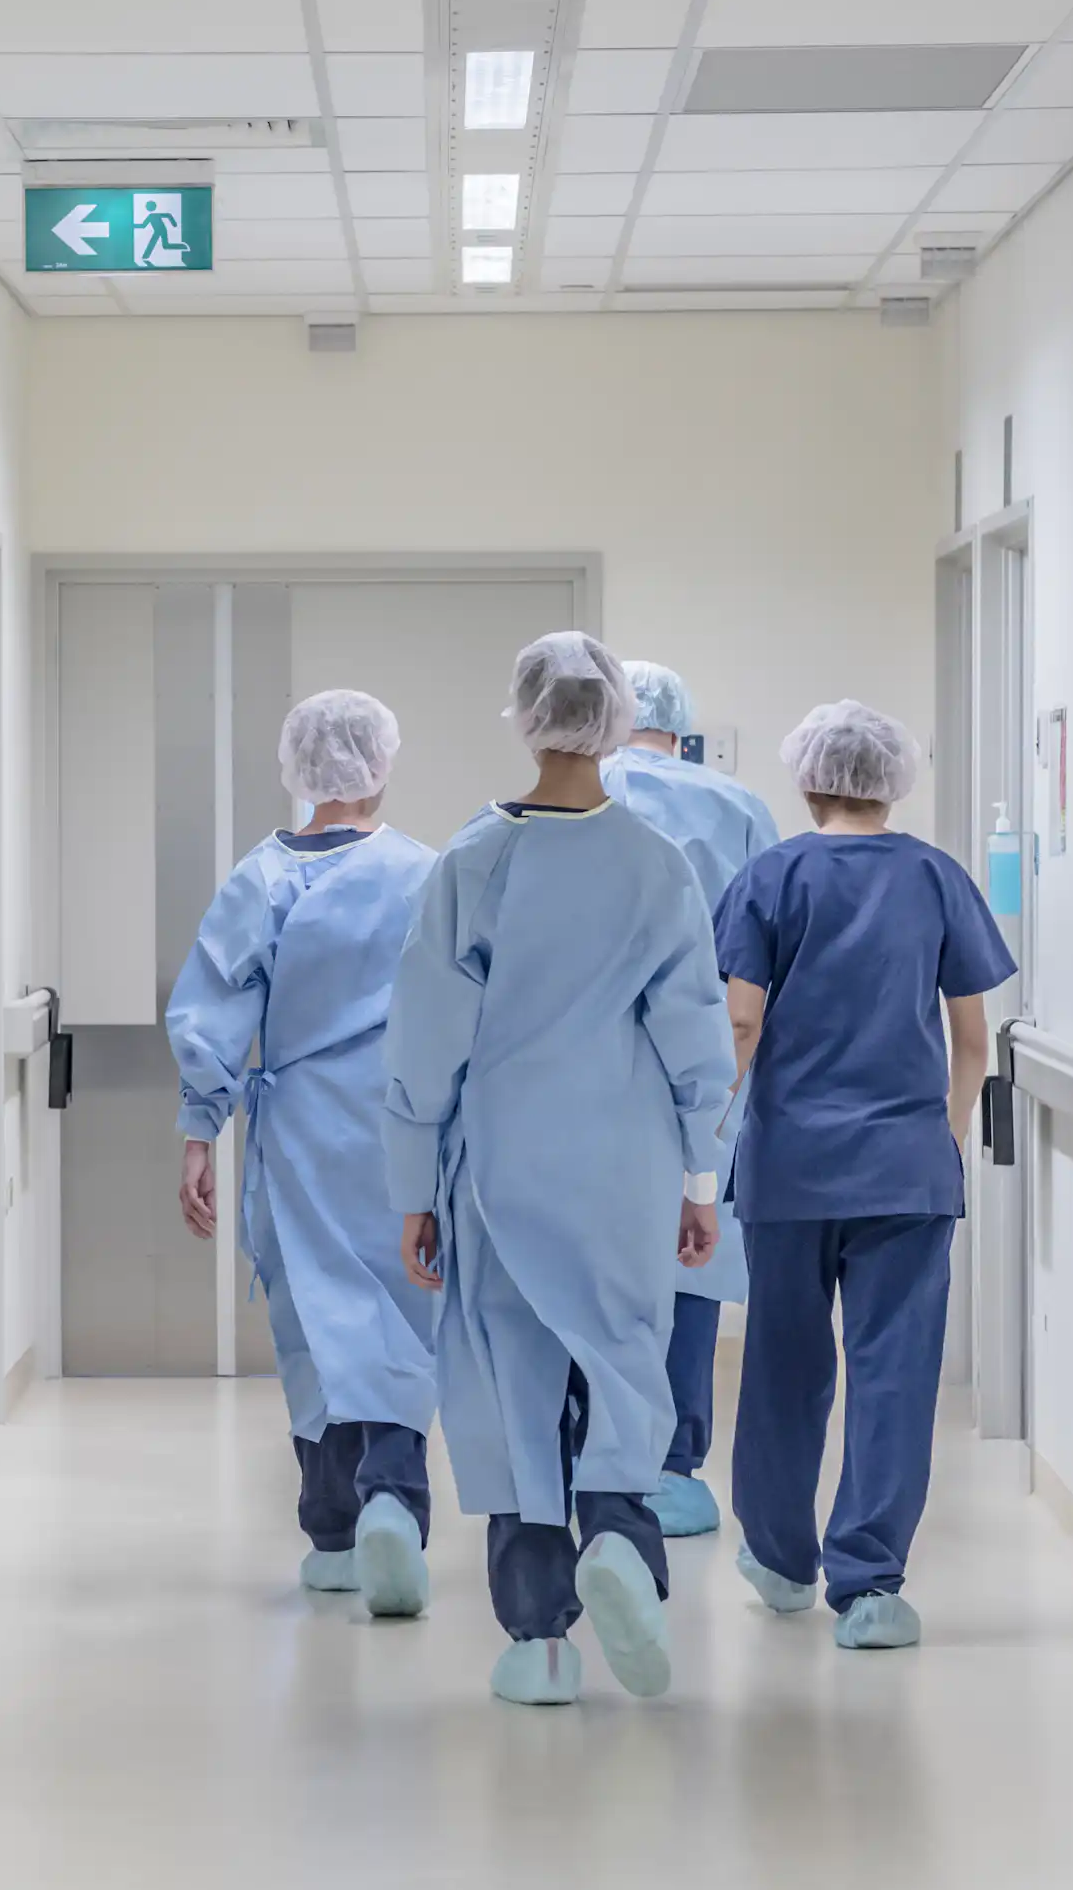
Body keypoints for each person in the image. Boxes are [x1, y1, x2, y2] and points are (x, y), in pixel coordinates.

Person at [383, 633, 736, 1705]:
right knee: (624, 1359)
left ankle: (537, 1636)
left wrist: (412, 1192)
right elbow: (697, 1041)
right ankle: (622, 1534)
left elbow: (423, 1043)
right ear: (619, 718)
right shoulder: (655, 865)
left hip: (498, 1166)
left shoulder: (470, 865)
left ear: (527, 717)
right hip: (623, 1166)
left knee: (511, 1385)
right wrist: (699, 1179)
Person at [714, 701, 1014, 1650]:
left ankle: (779, 1556)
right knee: (895, 1372)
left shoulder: (771, 877)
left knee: (782, 1365)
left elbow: (740, 1027)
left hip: (792, 1166)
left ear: (807, 781)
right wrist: (948, 1133)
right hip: (906, 1170)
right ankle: (872, 1584)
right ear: (893, 782)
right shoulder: (935, 878)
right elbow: (973, 1038)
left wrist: (701, 1144)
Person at [166, 689, 441, 1619]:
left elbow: (210, 1017)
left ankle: (331, 1531)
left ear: (299, 769)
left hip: (297, 1129)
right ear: (382, 763)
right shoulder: (426, 874)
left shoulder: (262, 879)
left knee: (313, 1318)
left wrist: (200, 1131)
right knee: (401, 1311)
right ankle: (395, 1500)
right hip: (403, 1124)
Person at [602, 659, 782, 1540]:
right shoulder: (738, 809)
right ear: (683, 729)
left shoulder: (566, 800)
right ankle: (671, 1468)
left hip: (579, 1067)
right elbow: (767, 956)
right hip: (710, 1061)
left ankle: (590, 1459)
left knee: (583, 1263)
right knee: (692, 1245)